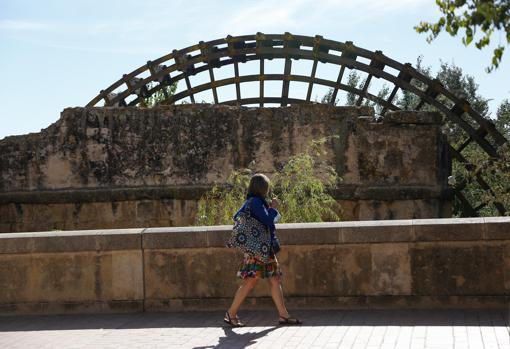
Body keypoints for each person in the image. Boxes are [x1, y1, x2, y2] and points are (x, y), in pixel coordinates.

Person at [224, 173, 302, 327]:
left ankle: (283, 315)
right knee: (250, 282)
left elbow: (237, 216)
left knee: (274, 279)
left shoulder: (252, 201)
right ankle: (231, 313)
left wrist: (269, 210)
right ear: (263, 188)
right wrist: (272, 208)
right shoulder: (256, 203)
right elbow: (267, 220)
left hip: (262, 249)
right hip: (259, 250)